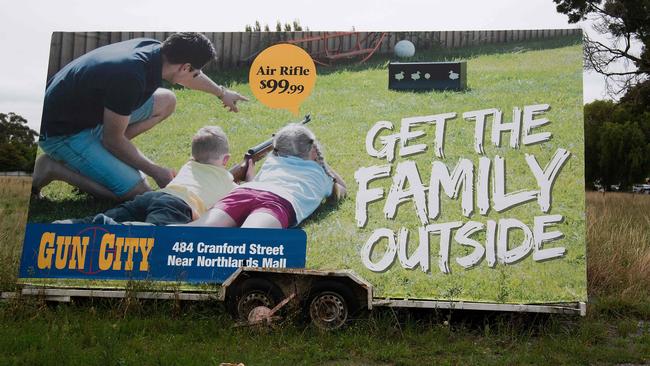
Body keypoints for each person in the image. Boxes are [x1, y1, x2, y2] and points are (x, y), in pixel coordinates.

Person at [32, 32, 248, 202]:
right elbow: (112, 139)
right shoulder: (129, 76)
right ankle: (52, 168)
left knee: (167, 100)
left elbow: (189, 77)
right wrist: (157, 171)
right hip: (62, 133)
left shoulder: (154, 49)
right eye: (195, 71)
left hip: (88, 113)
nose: (195, 76)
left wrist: (222, 92)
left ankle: (101, 154)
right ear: (185, 66)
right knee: (139, 192)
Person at [55, 126, 241, 226]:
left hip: (154, 196)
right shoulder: (227, 180)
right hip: (179, 206)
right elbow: (244, 195)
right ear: (226, 160)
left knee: (118, 214)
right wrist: (248, 176)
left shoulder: (189, 165)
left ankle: (67, 225)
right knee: (154, 235)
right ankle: (108, 227)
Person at [188, 124, 346, 229]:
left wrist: (250, 178)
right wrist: (323, 165)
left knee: (195, 230)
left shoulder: (272, 161)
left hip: (245, 192)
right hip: (280, 202)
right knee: (250, 240)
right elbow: (341, 189)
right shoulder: (321, 175)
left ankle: (164, 233)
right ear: (313, 151)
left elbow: (258, 191)